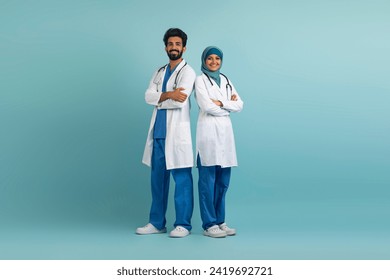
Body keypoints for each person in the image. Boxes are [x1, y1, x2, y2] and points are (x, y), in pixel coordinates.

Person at [136, 28, 196, 238]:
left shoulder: (188, 72)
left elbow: (181, 101)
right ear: (165, 47)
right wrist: (169, 94)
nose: (173, 47)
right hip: (159, 133)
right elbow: (147, 96)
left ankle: (183, 224)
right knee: (158, 181)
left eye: (177, 44)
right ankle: (156, 222)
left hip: (177, 134)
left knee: (182, 180)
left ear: (184, 47)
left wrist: (160, 98)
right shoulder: (160, 71)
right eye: (170, 44)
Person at [194, 46, 243, 238]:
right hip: (208, 136)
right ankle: (209, 224)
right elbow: (206, 106)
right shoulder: (200, 80)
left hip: (225, 137)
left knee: (223, 182)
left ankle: (220, 220)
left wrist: (221, 103)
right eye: (210, 59)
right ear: (204, 61)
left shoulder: (226, 80)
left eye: (217, 59)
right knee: (207, 182)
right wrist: (228, 106)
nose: (214, 62)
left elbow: (240, 104)